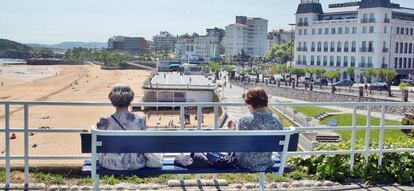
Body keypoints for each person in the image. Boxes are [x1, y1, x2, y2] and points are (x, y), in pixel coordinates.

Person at [96, 84, 162, 170]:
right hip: (135, 163)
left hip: (109, 164)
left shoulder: (105, 121)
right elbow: (145, 143)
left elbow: (96, 142)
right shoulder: (140, 120)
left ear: (112, 101)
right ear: (130, 100)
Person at [235, 87, 284, 171]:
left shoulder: (243, 121)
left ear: (251, 103)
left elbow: (238, 145)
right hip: (266, 161)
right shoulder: (276, 121)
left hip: (245, 162)